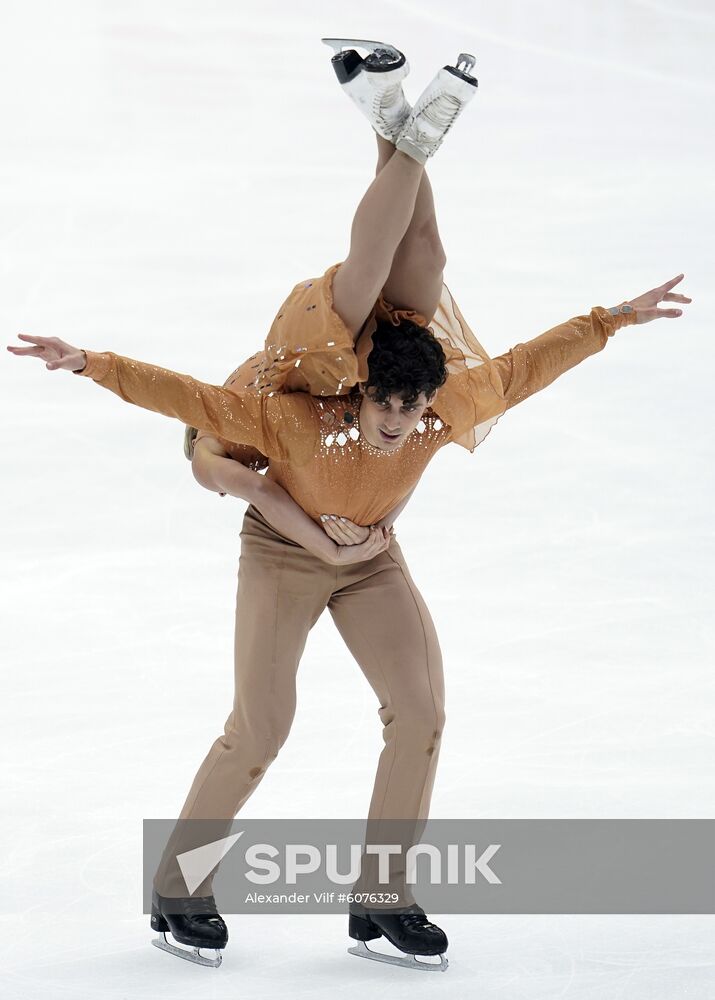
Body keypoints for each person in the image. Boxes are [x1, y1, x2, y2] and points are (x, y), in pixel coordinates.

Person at [7, 39, 691, 974]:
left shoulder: (439, 408)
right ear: (359, 392)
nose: (397, 429)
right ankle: (180, 885)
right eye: (386, 409)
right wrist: (89, 363)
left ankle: (381, 900)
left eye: (413, 415)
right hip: (283, 556)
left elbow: (526, 366)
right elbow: (189, 400)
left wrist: (613, 318)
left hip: (370, 557)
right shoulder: (291, 413)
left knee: (420, 714)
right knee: (260, 730)